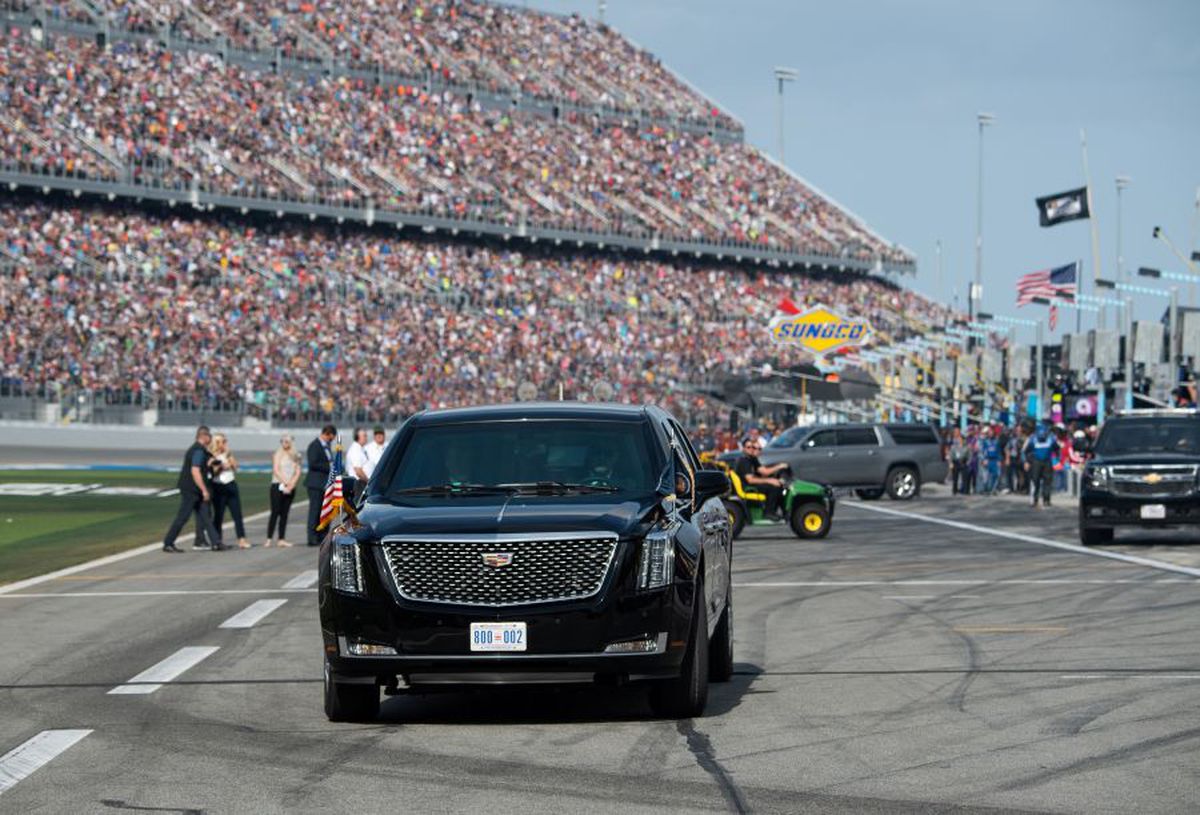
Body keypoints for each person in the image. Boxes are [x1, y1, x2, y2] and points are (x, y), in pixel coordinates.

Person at [162, 425, 224, 553]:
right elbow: (195, 471)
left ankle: (216, 542)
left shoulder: (201, 451)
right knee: (183, 516)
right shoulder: (197, 451)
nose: (211, 439)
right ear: (204, 437)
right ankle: (168, 542)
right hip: (191, 489)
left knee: (206, 516)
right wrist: (204, 490)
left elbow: (203, 465)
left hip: (196, 489)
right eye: (210, 436)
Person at [209, 432, 250, 549]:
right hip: (218, 486)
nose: (222, 444)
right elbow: (214, 471)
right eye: (219, 442)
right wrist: (222, 466)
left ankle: (241, 539)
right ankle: (217, 540)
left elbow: (236, 466)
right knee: (219, 515)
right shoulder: (211, 455)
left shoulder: (228, 454)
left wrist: (228, 456)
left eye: (224, 441)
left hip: (230, 484)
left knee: (237, 514)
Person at [733, 436, 787, 520]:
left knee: (778, 485)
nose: (751, 449)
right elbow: (750, 480)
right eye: (748, 447)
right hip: (748, 487)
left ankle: (782, 512)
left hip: (752, 484)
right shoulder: (744, 461)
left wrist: (778, 468)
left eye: (752, 447)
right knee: (773, 488)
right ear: (743, 449)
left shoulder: (752, 459)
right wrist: (770, 481)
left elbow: (764, 471)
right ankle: (768, 512)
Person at [267, 433, 301, 547]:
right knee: (275, 512)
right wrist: (285, 482)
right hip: (278, 485)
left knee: (285, 513)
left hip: (290, 486)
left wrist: (292, 483)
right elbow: (276, 470)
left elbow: (298, 471)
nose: (284, 444)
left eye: (287, 441)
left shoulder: (296, 455)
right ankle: (269, 537)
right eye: (283, 441)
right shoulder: (277, 454)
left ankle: (281, 538)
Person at [306, 424, 337, 546]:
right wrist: (329, 467)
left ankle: (322, 535)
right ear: (327, 434)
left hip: (326, 485)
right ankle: (312, 537)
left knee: (325, 511)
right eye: (331, 438)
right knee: (315, 511)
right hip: (316, 484)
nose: (331, 440)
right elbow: (313, 463)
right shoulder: (314, 446)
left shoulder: (327, 446)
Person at [1023, 422, 1060, 509]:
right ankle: (1035, 500)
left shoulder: (1051, 439)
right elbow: (1026, 451)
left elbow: (1057, 449)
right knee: (1035, 481)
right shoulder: (1033, 439)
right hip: (1036, 462)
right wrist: (1027, 461)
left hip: (1047, 461)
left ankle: (1046, 500)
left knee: (1047, 481)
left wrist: (1056, 460)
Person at [344, 426, 370, 503]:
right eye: (364, 436)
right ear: (357, 437)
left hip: (360, 483)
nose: (366, 438)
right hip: (359, 484)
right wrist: (368, 481)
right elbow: (358, 471)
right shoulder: (356, 450)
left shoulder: (360, 448)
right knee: (358, 505)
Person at [979, 427, 1002, 495]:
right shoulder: (985, 441)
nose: (990, 433)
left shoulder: (997, 441)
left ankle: (993, 489)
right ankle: (986, 489)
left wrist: (999, 460)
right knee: (986, 476)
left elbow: (999, 451)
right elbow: (982, 451)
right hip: (988, 460)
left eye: (991, 432)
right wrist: (983, 459)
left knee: (995, 475)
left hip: (995, 460)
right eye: (989, 432)